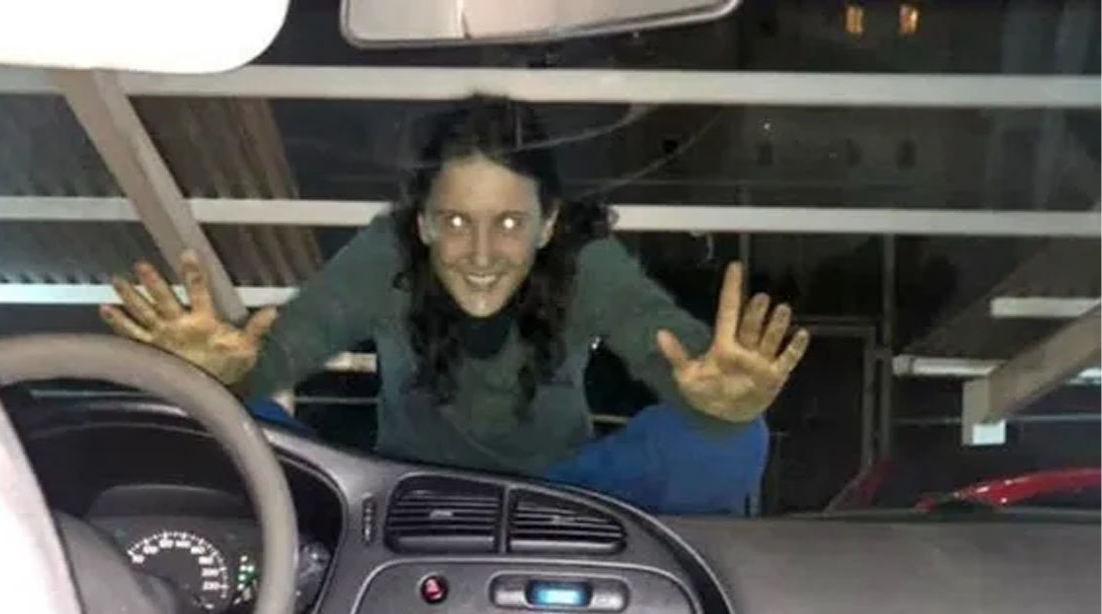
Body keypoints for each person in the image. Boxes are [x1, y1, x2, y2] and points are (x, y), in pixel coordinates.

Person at [101, 96, 809, 515]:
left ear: (548, 224)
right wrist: (222, 376)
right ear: (424, 223)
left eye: (509, 222)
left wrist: (720, 401)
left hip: (563, 490)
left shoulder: (585, 260)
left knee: (733, 437)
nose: (480, 252)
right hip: (401, 486)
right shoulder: (386, 253)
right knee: (233, 421)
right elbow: (283, 351)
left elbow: (670, 349)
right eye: (457, 221)